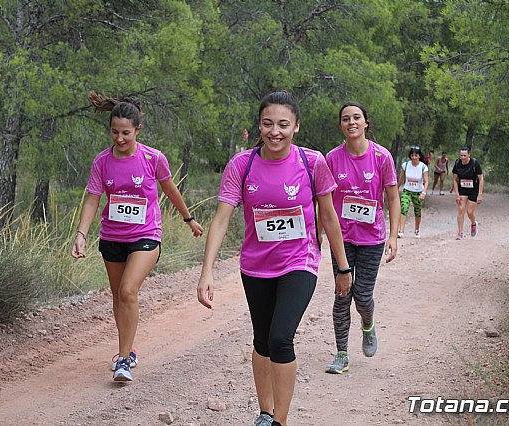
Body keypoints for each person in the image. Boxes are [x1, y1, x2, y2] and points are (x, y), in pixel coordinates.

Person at [196, 90, 351, 426]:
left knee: (281, 337)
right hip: (255, 266)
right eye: (268, 124)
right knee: (262, 340)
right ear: (260, 126)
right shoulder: (242, 164)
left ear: (296, 126)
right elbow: (221, 218)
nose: (275, 131)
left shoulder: (312, 162)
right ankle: (265, 412)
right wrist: (206, 271)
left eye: (283, 124)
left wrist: (342, 266)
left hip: (300, 262)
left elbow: (328, 216)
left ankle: (280, 420)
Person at [72, 91, 204, 382]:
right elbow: (93, 199)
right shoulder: (101, 162)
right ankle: (128, 349)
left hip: (146, 235)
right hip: (112, 237)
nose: (119, 139)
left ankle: (122, 361)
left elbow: (170, 189)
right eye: (115, 132)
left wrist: (189, 219)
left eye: (126, 133)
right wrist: (81, 233)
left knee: (129, 290)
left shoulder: (152, 158)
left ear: (138, 130)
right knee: (119, 297)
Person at [324, 102, 400, 375]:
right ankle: (341, 354)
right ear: (341, 125)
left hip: (372, 238)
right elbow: (323, 200)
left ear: (366, 122)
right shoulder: (332, 158)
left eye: (357, 117)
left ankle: (367, 326)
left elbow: (392, 196)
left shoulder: (382, 157)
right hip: (341, 238)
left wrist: (393, 235)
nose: (351, 122)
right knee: (342, 293)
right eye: (346, 119)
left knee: (363, 296)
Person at [452, 145, 483, 240]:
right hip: (462, 189)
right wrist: (456, 194)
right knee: (461, 209)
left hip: (474, 189)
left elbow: (481, 178)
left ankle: (473, 223)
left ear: (469, 155)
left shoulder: (475, 163)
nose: (462, 158)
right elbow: (455, 179)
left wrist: (480, 194)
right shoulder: (457, 163)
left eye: (464, 155)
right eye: (461, 155)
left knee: (469, 212)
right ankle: (460, 233)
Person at [397, 146, 429, 238]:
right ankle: (401, 230)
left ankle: (417, 230)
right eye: (412, 155)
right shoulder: (405, 165)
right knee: (404, 208)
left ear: (419, 156)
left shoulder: (423, 167)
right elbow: (401, 178)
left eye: (416, 155)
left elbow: (426, 181)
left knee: (417, 210)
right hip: (407, 190)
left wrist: (424, 192)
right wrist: (396, 188)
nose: (414, 157)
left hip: (418, 191)